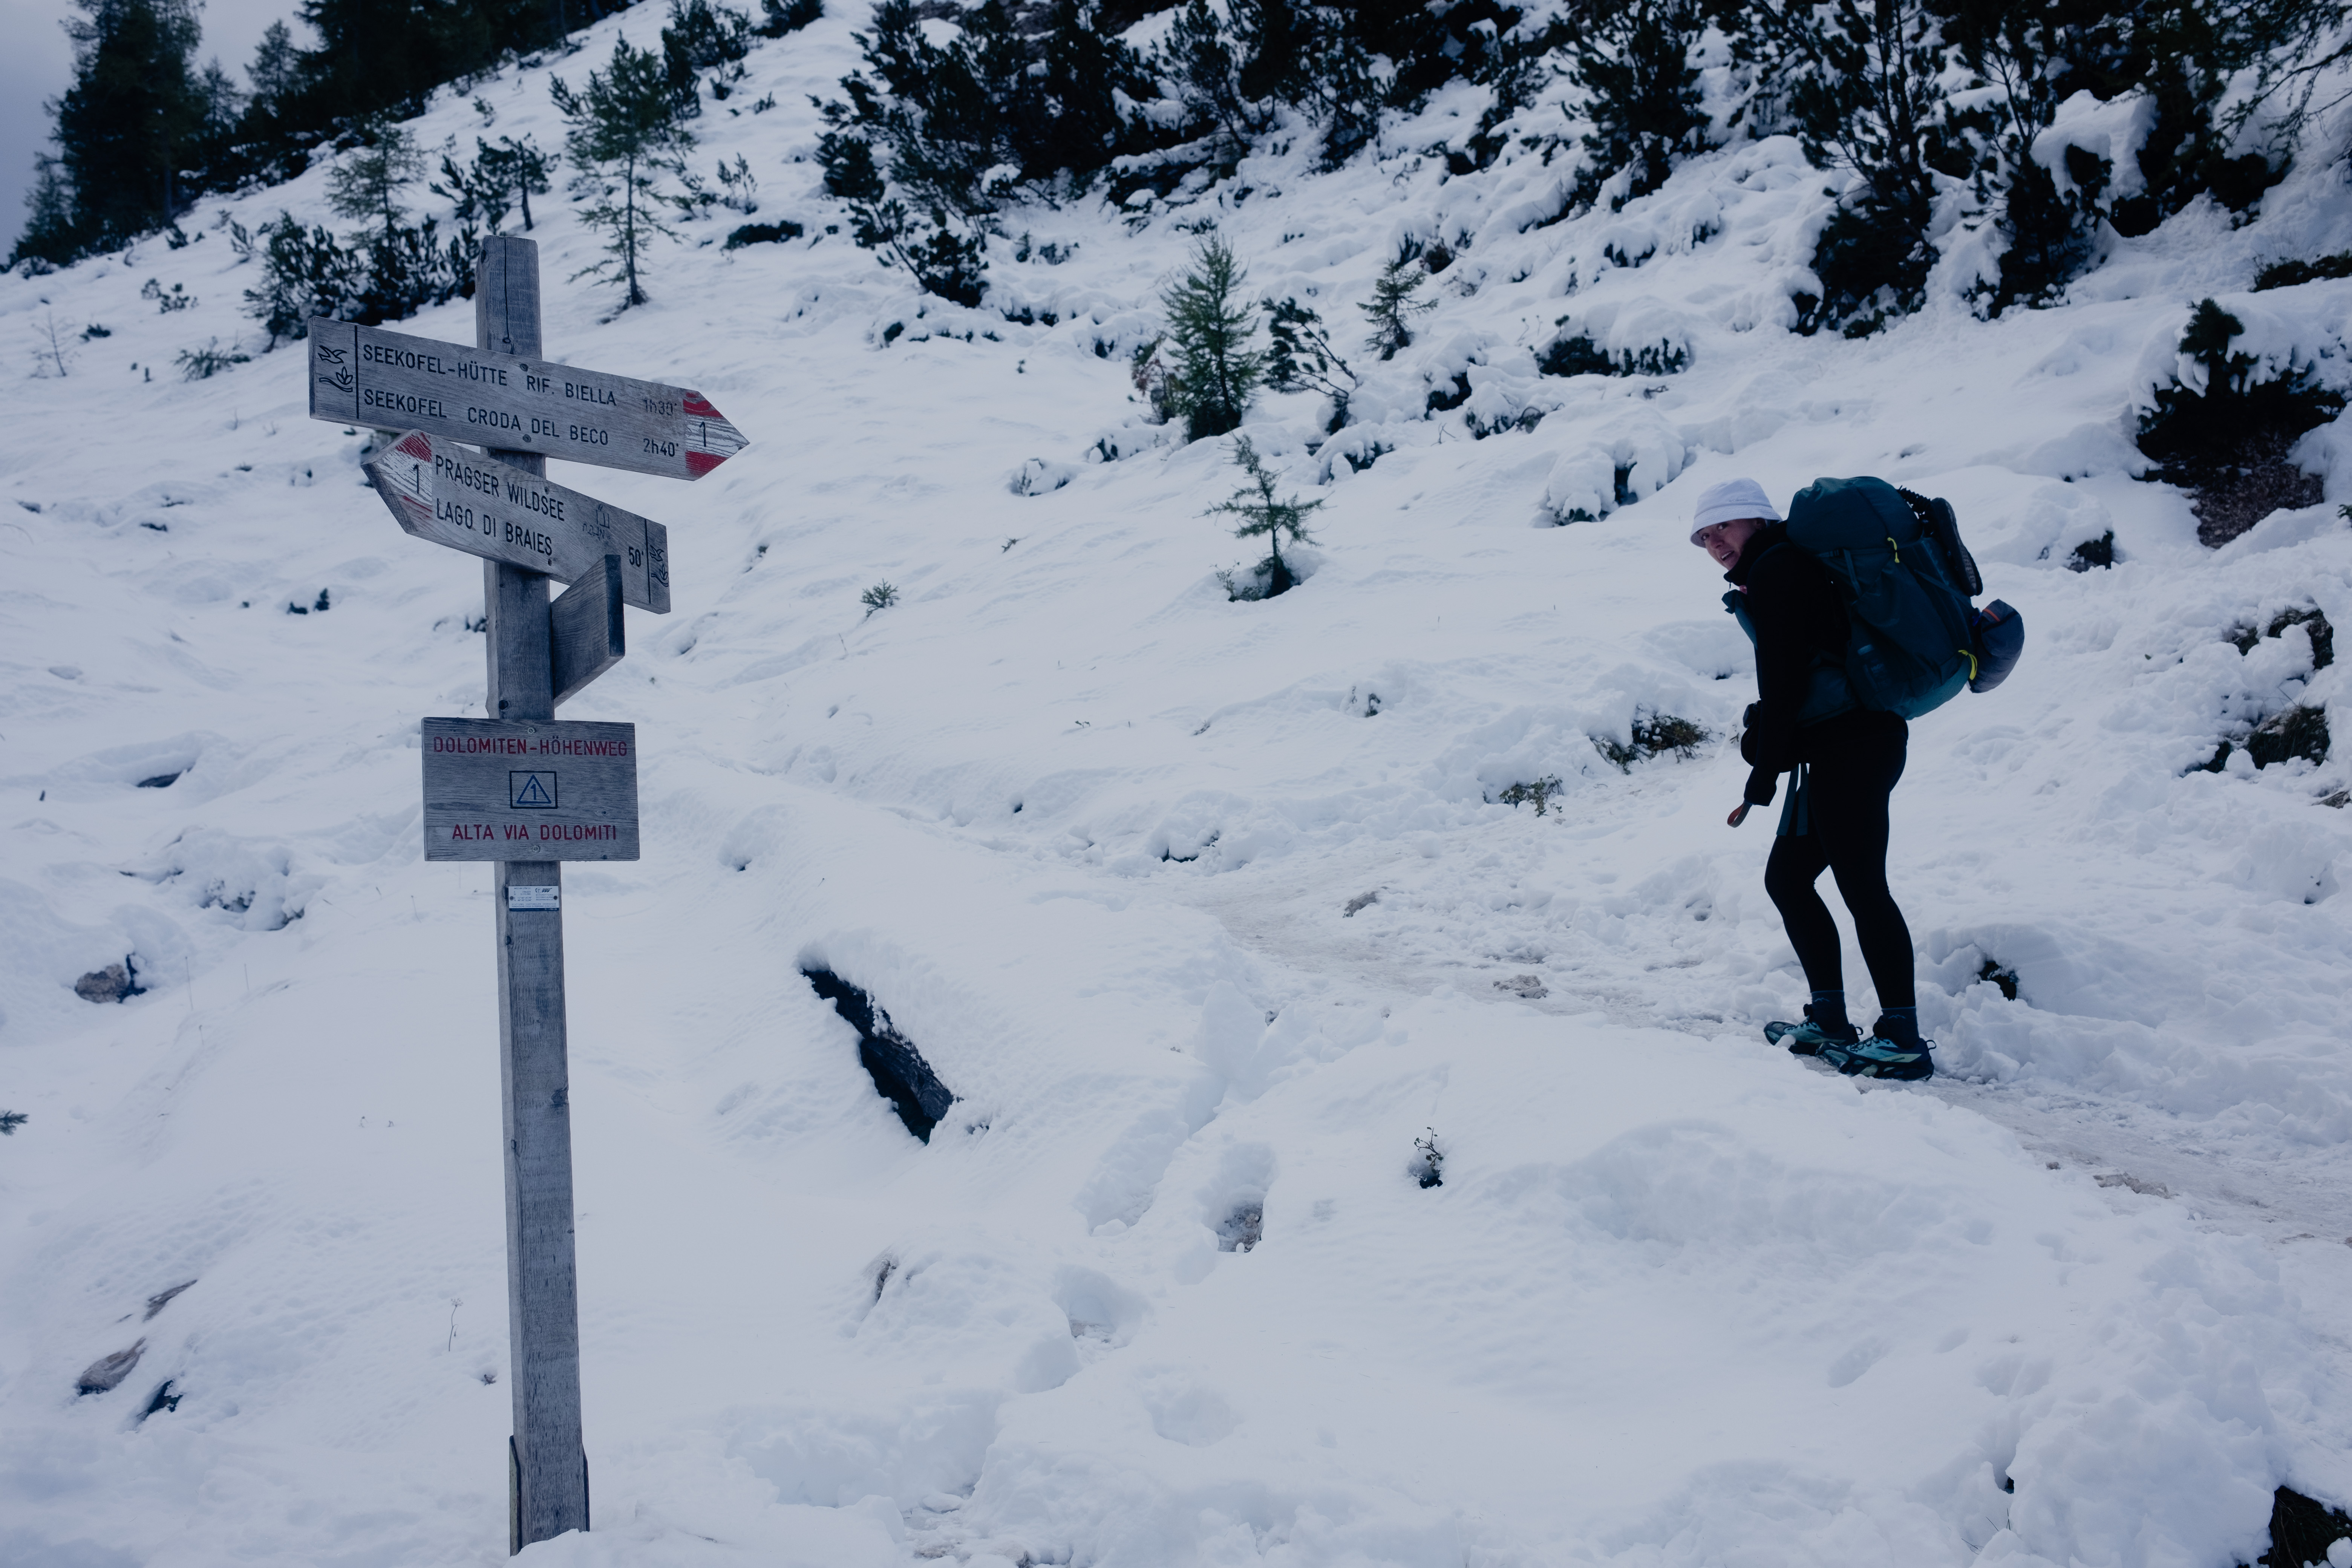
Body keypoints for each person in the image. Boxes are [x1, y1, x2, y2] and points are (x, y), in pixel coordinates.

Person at [1692, 477, 1933, 1082]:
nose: (1714, 541)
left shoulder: (1779, 571)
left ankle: (1902, 1037)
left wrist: (1763, 762)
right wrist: (1771, 751)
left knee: (1862, 887)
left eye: (1723, 525)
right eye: (1703, 536)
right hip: (1841, 744)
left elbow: (1785, 683)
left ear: (1757, 521)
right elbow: (1801, 672)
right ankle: (1829, 1018)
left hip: (1853, 744)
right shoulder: (1778, 570)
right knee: (1789, 878)